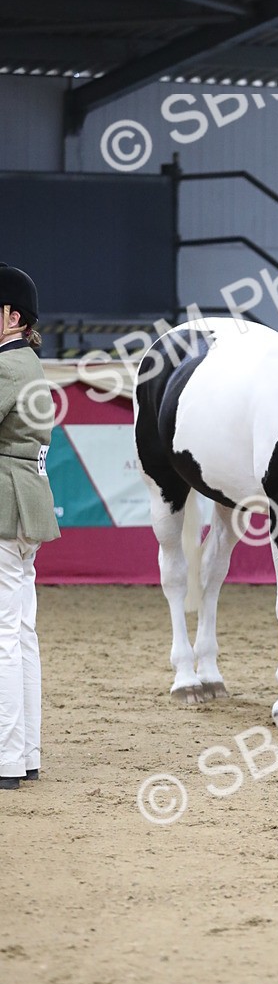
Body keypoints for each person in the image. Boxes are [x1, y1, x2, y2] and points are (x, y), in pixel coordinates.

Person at [0, 264, 60, 790]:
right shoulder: (31, 365)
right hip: (28, 506)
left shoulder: (7, 367)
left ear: (12, 316)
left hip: (4, 503)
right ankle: (24, 754)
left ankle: (6, 757)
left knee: (4, 634)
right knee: (20, 632)